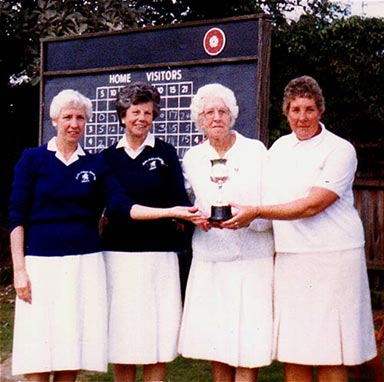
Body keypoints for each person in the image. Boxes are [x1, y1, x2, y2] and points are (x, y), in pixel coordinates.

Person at [8, 89, 200, 382]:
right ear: (54, 120)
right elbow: (16, 215)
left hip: (85, 264)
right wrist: (19, 270)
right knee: (39, 350)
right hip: (40, 265)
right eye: (67, 117)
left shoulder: (95, 164)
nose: (74, 124)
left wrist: (171, 211)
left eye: (80, 118)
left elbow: (123, 206)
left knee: (69, 352)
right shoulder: (32, 159)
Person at [222, 75, 377, 382]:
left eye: (309, 109)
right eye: (295, 110)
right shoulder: (278, 148)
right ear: (286, 112)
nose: (302, 117)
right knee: (296, 352)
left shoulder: (340, 149)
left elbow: (312, 205)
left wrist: (254, 211)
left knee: (332, 353)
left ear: (320, 110)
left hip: (334, 258)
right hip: (291, 258)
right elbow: (263, 197)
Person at [100, 82, 204, 382]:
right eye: (135, 112)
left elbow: (181, 202)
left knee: (156, 342)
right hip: (118, 259)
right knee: (123, 342)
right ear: (123, 116)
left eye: (147, 112)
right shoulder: (107, 158)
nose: (141, 118)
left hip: (160, 259)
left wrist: (197, 217)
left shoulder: (166, 153)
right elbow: (115, 208)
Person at [177, 83, 275, 382]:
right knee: (217, 342)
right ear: (200, 120)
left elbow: (270, 199)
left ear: (232, 116)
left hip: (252, 258)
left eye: (222, 111)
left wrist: (252, 217)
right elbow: (188, 201)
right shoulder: (193, 157)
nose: (216, 117)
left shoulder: (256, 151)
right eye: (209, 113)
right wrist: (195, 218)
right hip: (211, 259)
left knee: (249, 343)